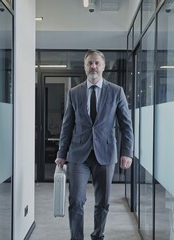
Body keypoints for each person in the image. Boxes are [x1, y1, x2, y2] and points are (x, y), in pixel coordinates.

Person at [55, 49, 134, 240]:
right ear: (84, 66)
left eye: (97, 63)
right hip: (78, 155)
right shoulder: (74, 93)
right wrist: (61, 152)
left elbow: (126, 125)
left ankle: (98, 235)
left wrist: (127, 152)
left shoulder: (116, 91)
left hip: (106, 154)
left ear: (103, 66)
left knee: (103, 202)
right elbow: (67, 125)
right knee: (76, 200)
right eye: (90, 63)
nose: (93, 66)